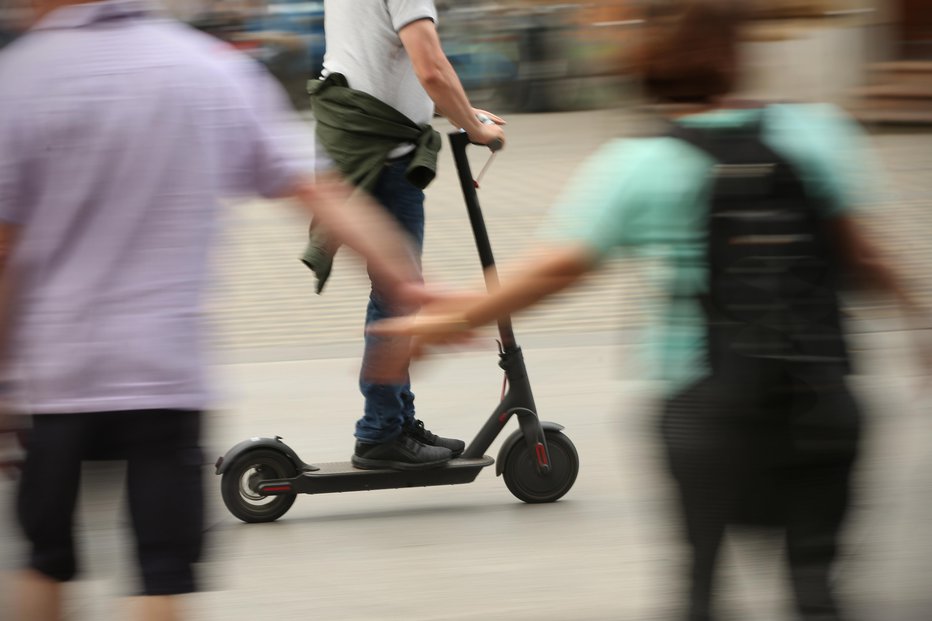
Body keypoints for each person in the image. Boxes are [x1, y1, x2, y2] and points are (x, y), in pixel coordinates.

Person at [372, 2, 931, 619]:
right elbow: (868, 257)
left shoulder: (638, 164)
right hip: (821, 400)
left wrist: (442, 320)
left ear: (646, 69)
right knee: (814, 584)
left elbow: (553, 271)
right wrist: (917, 323)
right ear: (739, 56)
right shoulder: (817, 132)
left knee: (701, 580)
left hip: (704, 406)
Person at [0, 1, 424, 619]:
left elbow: (5, 250)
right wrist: (405, 283)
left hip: (57, 380)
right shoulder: (206, 69)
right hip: (166, 378)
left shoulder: (21, 77)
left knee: (46, 560)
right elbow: (317, 192)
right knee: (162, 575)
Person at [302, 0, 506, 471]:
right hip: (381, 152)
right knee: (400, 296)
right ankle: (380, 433)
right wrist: (472, 126)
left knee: (398, 294)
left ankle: (396, 420)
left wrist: (462, 111)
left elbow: (375, 64)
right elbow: (430, 66)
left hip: (359, 140)